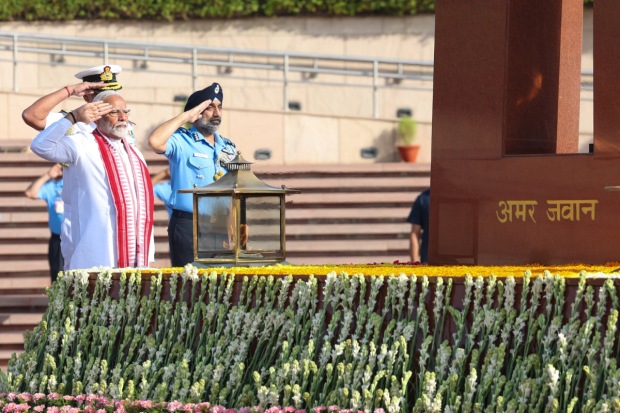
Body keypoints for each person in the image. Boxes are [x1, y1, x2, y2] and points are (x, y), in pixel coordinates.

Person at [30, 91, 155, 270]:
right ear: (97, 117)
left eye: (125, 112)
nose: (122, 117)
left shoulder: (135, 154)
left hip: (136, 256)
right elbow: (40, 146)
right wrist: (73, 118)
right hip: (94, 250)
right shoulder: (81, 143)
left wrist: (149, 254)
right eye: (114, 112)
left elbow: (141, 211)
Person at [148, 82, 237, 267]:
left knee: (220, 289)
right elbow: (155, 141)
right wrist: (186, 116)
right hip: (189, 225)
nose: (217, 113)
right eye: (209, 108)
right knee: (189, 290)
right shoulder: (181, 140)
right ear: (196, 113)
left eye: (219, 107)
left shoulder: (228, 147)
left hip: (221, 225)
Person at [22, 64, 122, 132]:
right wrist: (70, 90)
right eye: (100, 94)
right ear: (87, 97)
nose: (108, 99)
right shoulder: (72, 122)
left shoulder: (123, 122)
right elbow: (31, 115)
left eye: (113, 93)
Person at [24, 163, 65, 282]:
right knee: (57, 276)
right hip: (58, 238)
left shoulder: (78, 185)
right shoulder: (53, 187)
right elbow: (30, 193)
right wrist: (48, 175)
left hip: (77, 239)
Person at [407, 188, 430, 263]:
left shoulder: (461, 197)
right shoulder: (423, 199)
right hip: (429, 260)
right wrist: (414, 263)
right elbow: (415, 233)